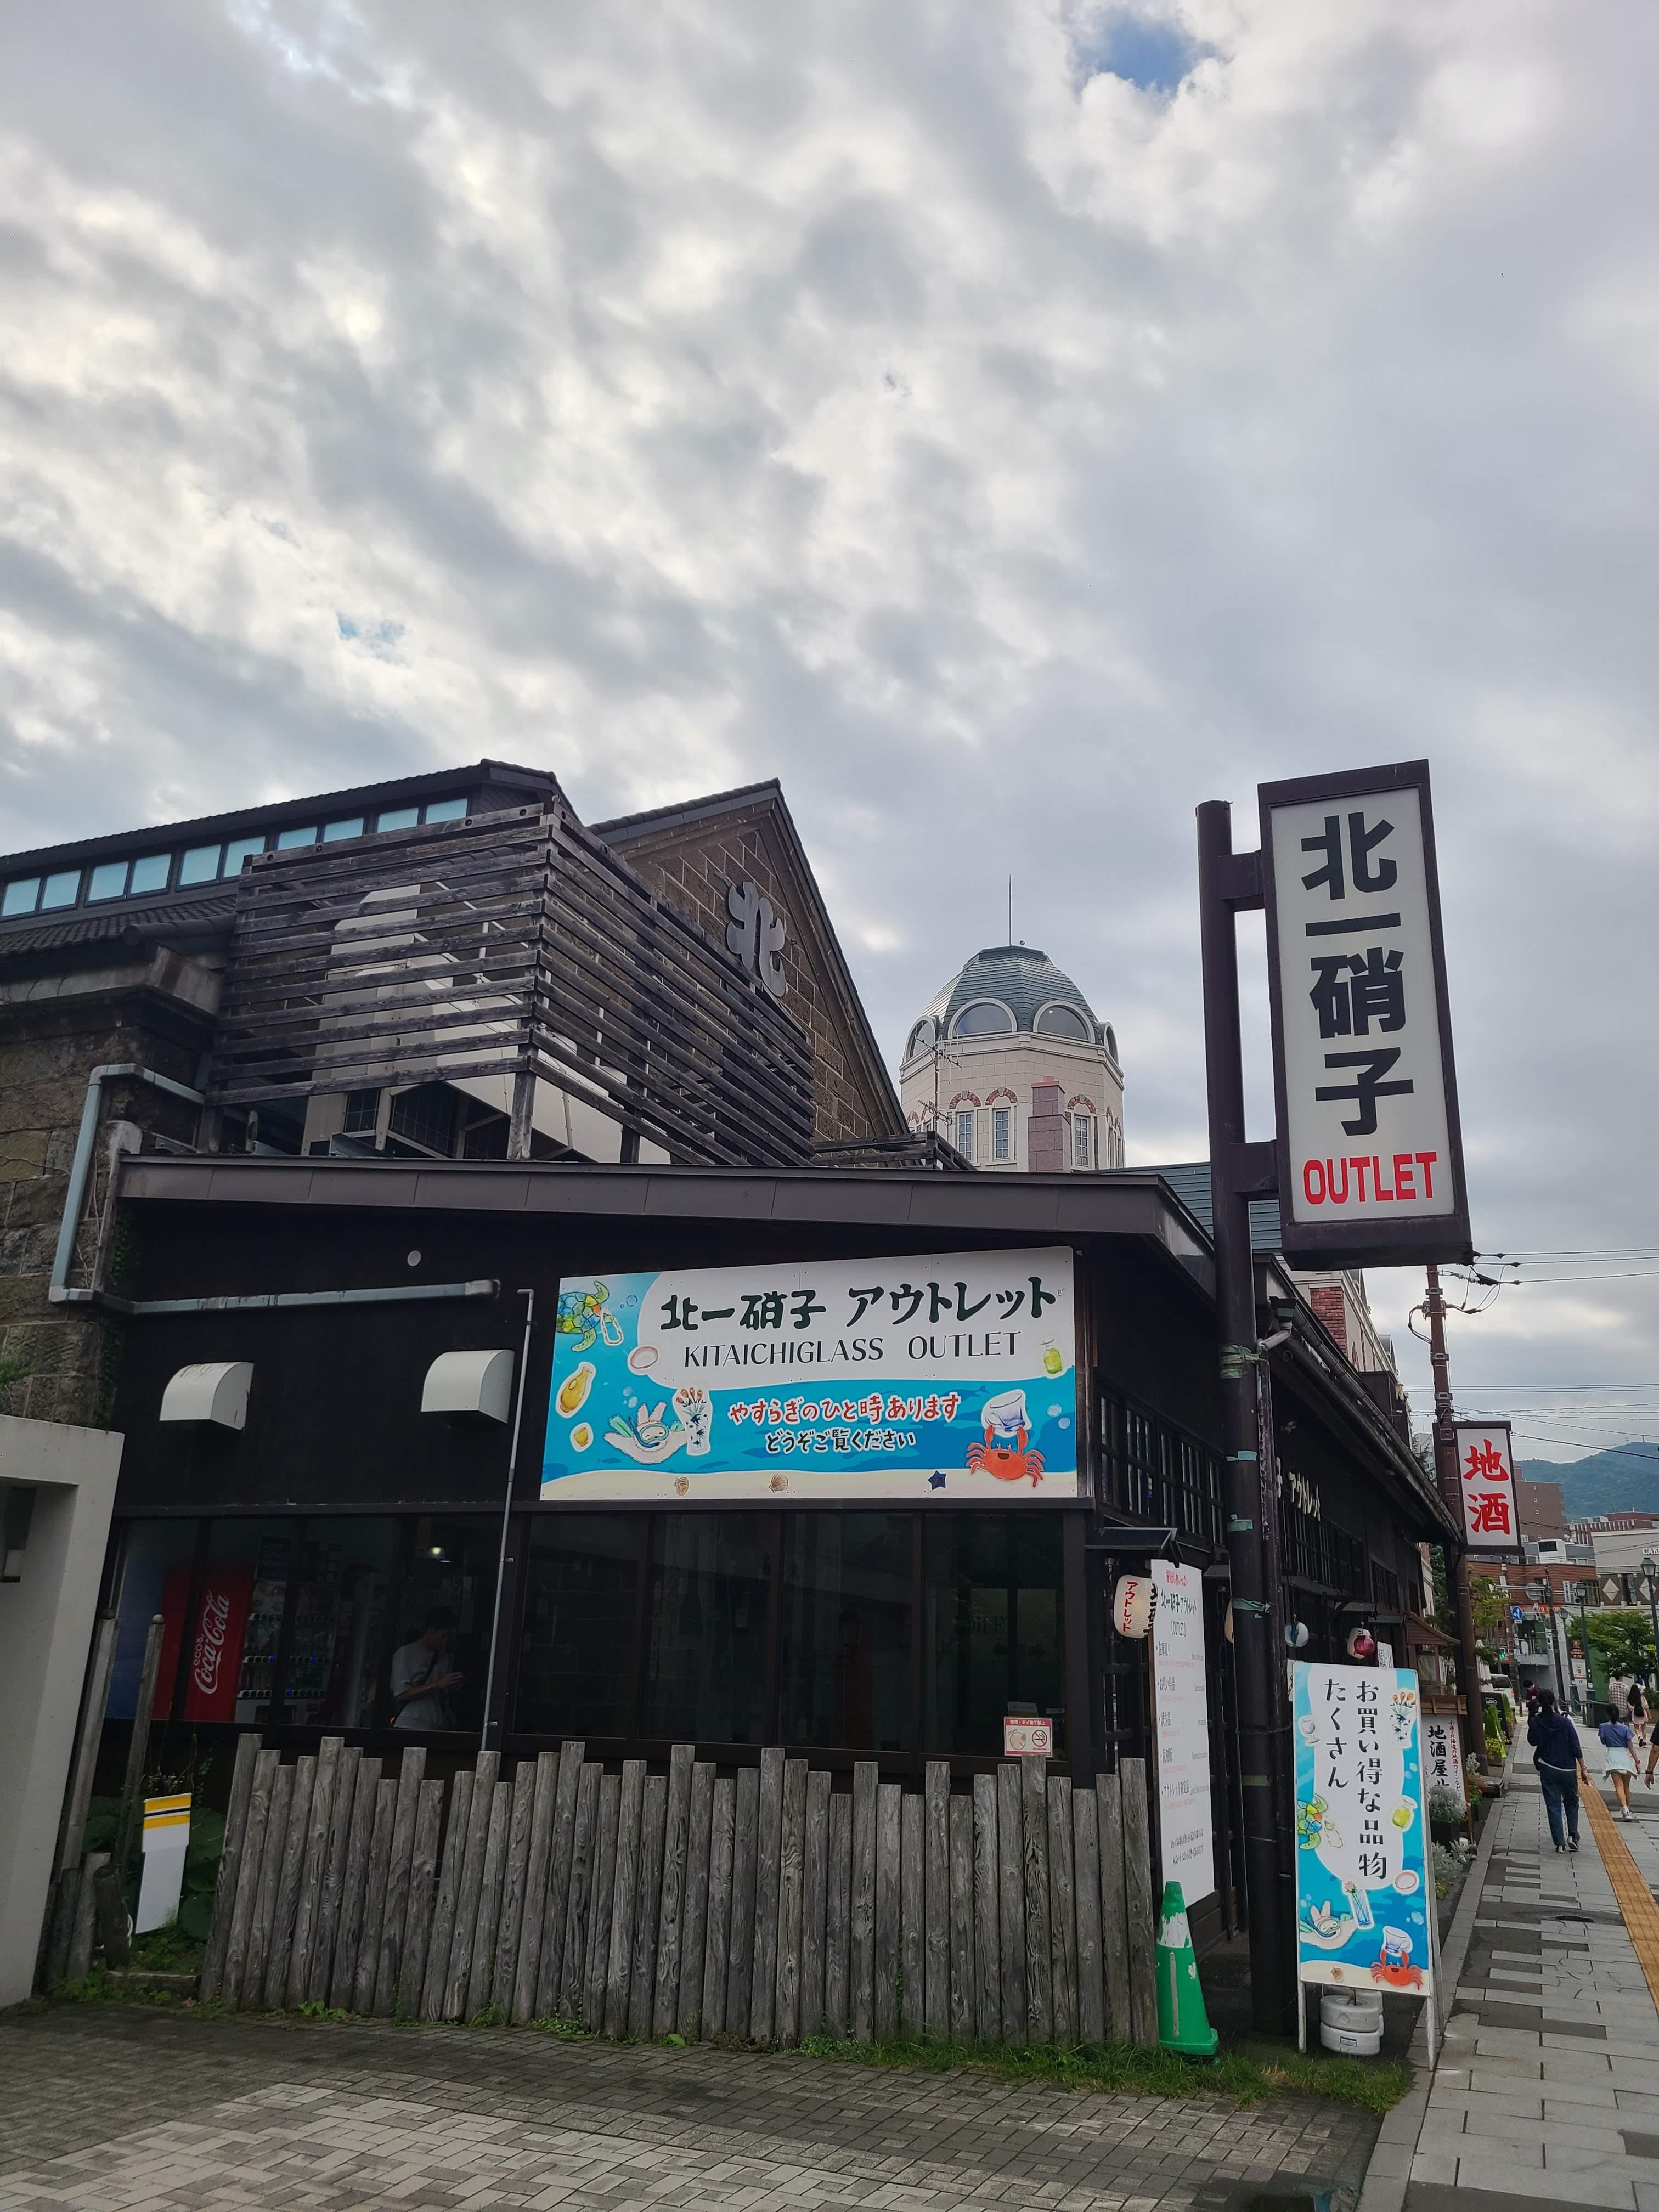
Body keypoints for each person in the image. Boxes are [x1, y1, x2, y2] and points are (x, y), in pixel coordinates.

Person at [1528, 1688, 1587, 1853]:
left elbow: (1532, 1742)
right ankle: (1572, 1836)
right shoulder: (1565, 1722)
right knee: (1572, 1802)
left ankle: (1560, 1843)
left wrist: (1533, 1720)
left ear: (1539, 1702)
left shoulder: (1537, 1721)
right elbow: (1575, 1746)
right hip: (1568, 1769)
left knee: (1553, 1805)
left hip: (1548, 1767)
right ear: (1554, 1701)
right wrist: (1583, 1768)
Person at [390, 1606, 462, 1730]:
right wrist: (437, 1685)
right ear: (431, 1630)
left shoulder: (442, 1657)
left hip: (434, 1720)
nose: (445, 1641)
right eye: (443, 1635)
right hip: (410, 1721)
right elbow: (401, 1693)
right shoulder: (405, 1654)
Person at [1600, 1711, 1639, 1819]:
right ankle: (1628, 1809)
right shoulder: (1625, 1729)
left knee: (1619, 1786)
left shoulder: (1603, 1727)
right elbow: (1631, 1746)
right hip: (1625, 1758)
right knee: (1626, 1787)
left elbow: (1603, 1742)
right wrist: (1637, 1761)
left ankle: (1625, 1809)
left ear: (1607, 1715)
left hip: (1613, 1757)